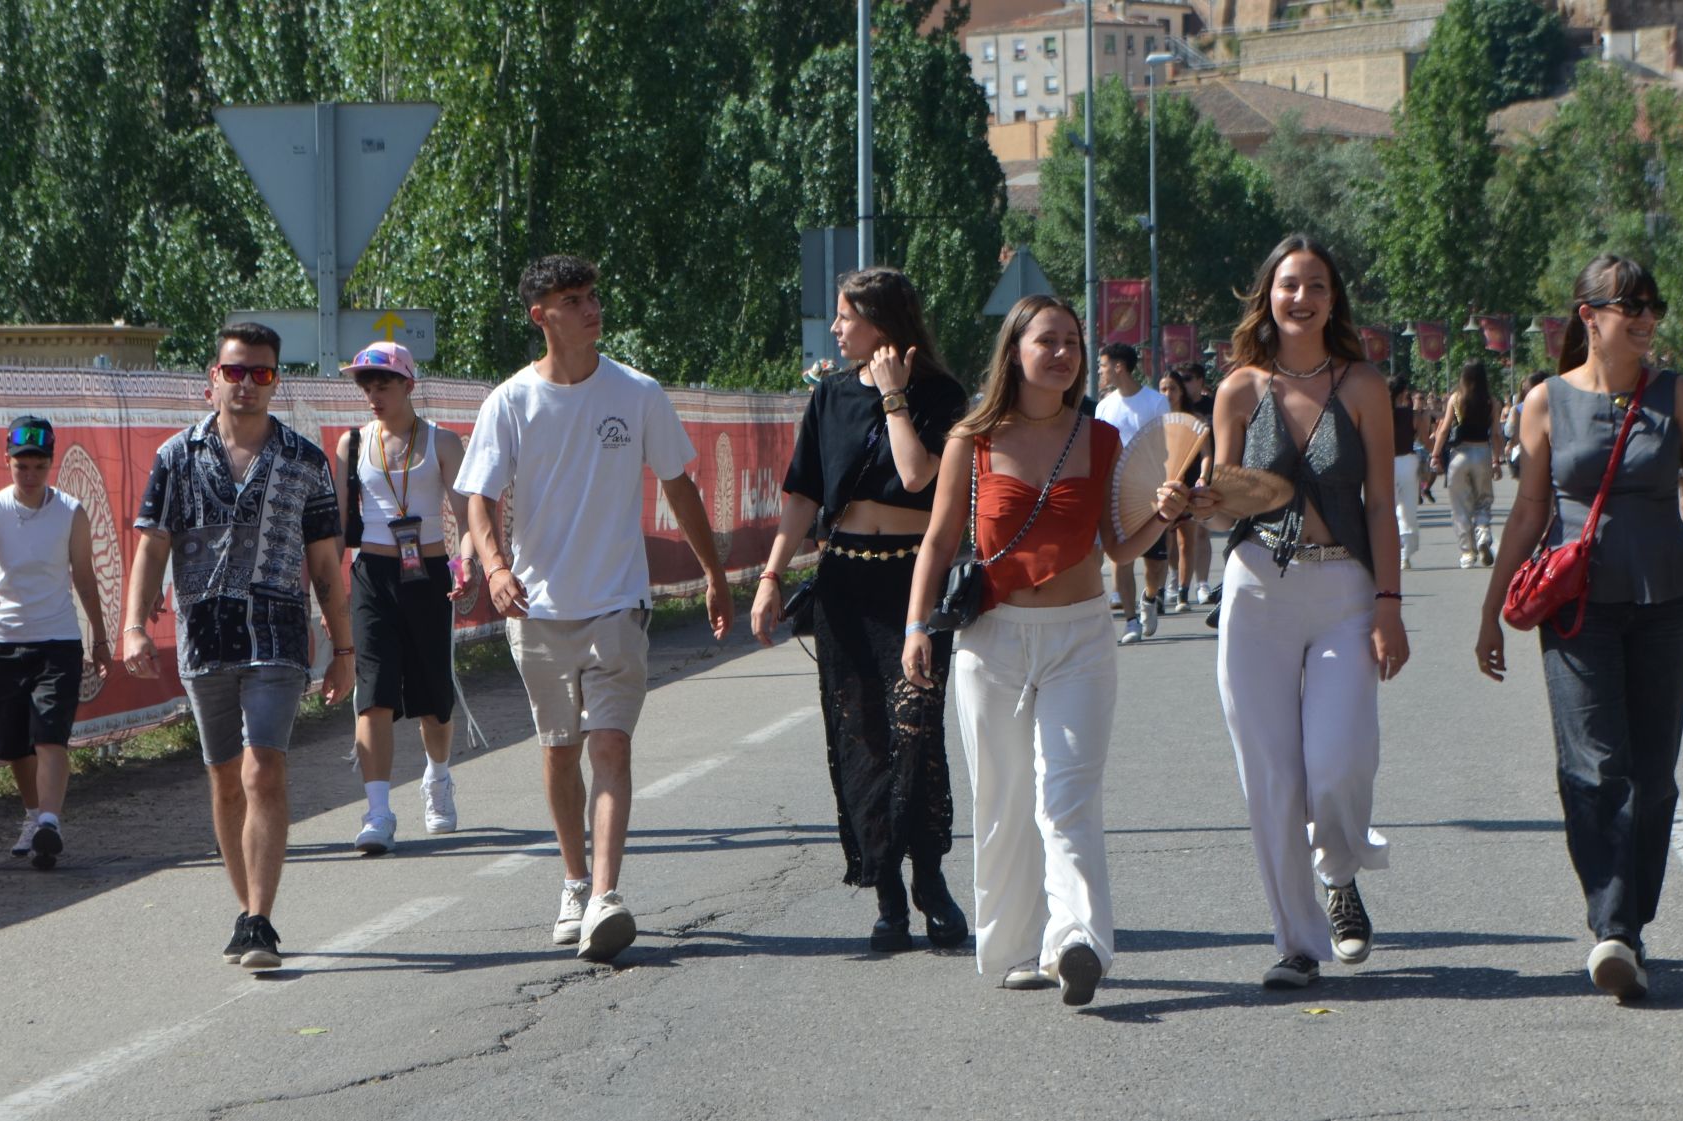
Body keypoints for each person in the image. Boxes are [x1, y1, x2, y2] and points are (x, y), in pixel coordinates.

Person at [1475, 254, 1683, 1001]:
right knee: (1593, 765)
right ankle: (1616, 927)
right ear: (1590, 316)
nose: (1645, 319)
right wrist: (1491, 612)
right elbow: (1530, 511)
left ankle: (1629, 916)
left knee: (1654, 771)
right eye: (1629, 306)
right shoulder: (1545, 401)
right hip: (1577, 609)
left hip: (1667, 602)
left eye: (1652, 306)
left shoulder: (1677, 394)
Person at [902, 294, 1190, 1006]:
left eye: (1072, 342)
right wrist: (915, 628)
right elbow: (939, 541)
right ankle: (1013, 947)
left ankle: (1077, 940)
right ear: (1015, 351)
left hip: (1081, 635)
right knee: (1001, 798)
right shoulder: (974, 437)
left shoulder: (1100, 440)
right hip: (992, 638)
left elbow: (1119, 545)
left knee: (1066, 796)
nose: (1062, 353)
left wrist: (1166, 512)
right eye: (1047, 341)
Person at [457, 254, 733, 964]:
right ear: (540, 315)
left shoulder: (637, 393)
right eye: (572, 299)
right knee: (559, 750)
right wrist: (493, 566)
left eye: (592, 296)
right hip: (539, 607)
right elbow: (478, 498)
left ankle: (607, 895)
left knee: (609, 743)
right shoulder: (511, 401)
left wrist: (713, 571)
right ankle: (574, 882)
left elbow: (678, 484)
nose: (590, 308)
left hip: (618, 601)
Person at [1196, 234, 1405, 990]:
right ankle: (1297, 941)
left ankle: (1339, 871)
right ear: (1269, 295)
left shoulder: (1363, 387)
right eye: (1289, 284)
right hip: (1257, 593)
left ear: (1333, 300)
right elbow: (1227, 508)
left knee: (1339, 762)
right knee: (1272, 778)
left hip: (1345, 590)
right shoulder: (1237, 390)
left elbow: (1380, 502)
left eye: (1316, 285)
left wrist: (1391, 604)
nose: (1301, 297)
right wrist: (1192, 504)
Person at [750, 266, 970, 952]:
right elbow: (802, 499)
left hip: (914, 584)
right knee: (862, 740)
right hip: (845, 583)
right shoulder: (830, 396)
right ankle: (887, 897)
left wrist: (896, 397)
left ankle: (929, 878)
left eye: (848, 316)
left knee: (918, 737)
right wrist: (770, 576)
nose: (837, 327)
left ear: (883, 322)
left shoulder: (939, 393)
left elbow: (916, 476)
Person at [123, 323, 355, 970]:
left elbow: (328, 566)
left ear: (276, 380)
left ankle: (260, 918)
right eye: (236, 371)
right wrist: (135, 624)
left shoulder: (306, 460)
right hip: (204, 636)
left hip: (278, 634)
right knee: (225, 780)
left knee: (263, 767)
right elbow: (152, 544)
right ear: (213, 377)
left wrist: (344, 648)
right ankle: (246, 906)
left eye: (262, 373)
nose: (248, 384)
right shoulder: (176, 456)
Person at [333, 341, 476, 854]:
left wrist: (466, 564)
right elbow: (337, 528)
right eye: (365, 385)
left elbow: (467, 516)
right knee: (372, 694)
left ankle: (437, 776)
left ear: (408, 385)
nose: (373, 394)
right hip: (372, 574)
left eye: (384, 383)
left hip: (429, 573)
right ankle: (377, 811)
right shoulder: (352, 444)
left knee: (434, 698)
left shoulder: (442, 442)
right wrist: (328, 591)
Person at [0, 417, 110, 870]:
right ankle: (32, 815)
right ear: (7, 461)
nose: (29, 475)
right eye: (21, 466)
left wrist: (99, 639)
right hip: (1, 642)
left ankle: (50, 822)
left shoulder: (70, 511)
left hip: (57, 640)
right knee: (15, 746)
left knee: (49, 736)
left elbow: (84, 576)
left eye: (38, 466)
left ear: (51, 465)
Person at [1093, 342, 1171, 643]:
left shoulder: (1155, 402)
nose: (1099, 371)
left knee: (1155, 565)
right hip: (1115, 494)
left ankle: (1150, 598)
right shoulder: (1104, 406)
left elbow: (1166, 448)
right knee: (1119, 557)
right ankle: (1130, 621)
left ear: (1118, 367)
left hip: (1150, 492)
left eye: (1102, 366)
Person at [1429, 360, 1507, 568]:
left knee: (1460, 507)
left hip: (1459, 455)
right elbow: (1497, 434)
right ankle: (1483, 533)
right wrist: (1496, 460)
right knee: (1483, 499)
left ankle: (1467, 553)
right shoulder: (1492, 402)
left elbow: (1444, 429)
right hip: (1482, 452)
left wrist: (1435, 455)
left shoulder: (1456, 399)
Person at [1158, 364, 1216, 608]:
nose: (1167, 394)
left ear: (1180, 391)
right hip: (1165, 482)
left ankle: (1183, 592)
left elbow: (1206, 453)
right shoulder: (1157, 418)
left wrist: (1203, 476)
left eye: (1172, 388)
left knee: (1186, 539)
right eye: (1163, 389)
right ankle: (1164, 586)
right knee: (1165, 537)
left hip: (1191, 483)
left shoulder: (1196, 418)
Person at [1388, 376, 1427, 570]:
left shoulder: (1379, 414)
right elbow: (1423, 439)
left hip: (1385, 462)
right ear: (1404, 393)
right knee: (1408, 507)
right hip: (1407, 461)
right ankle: (1405, 553)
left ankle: (1389, 550)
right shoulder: (1412, 415)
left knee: (1388, 508)